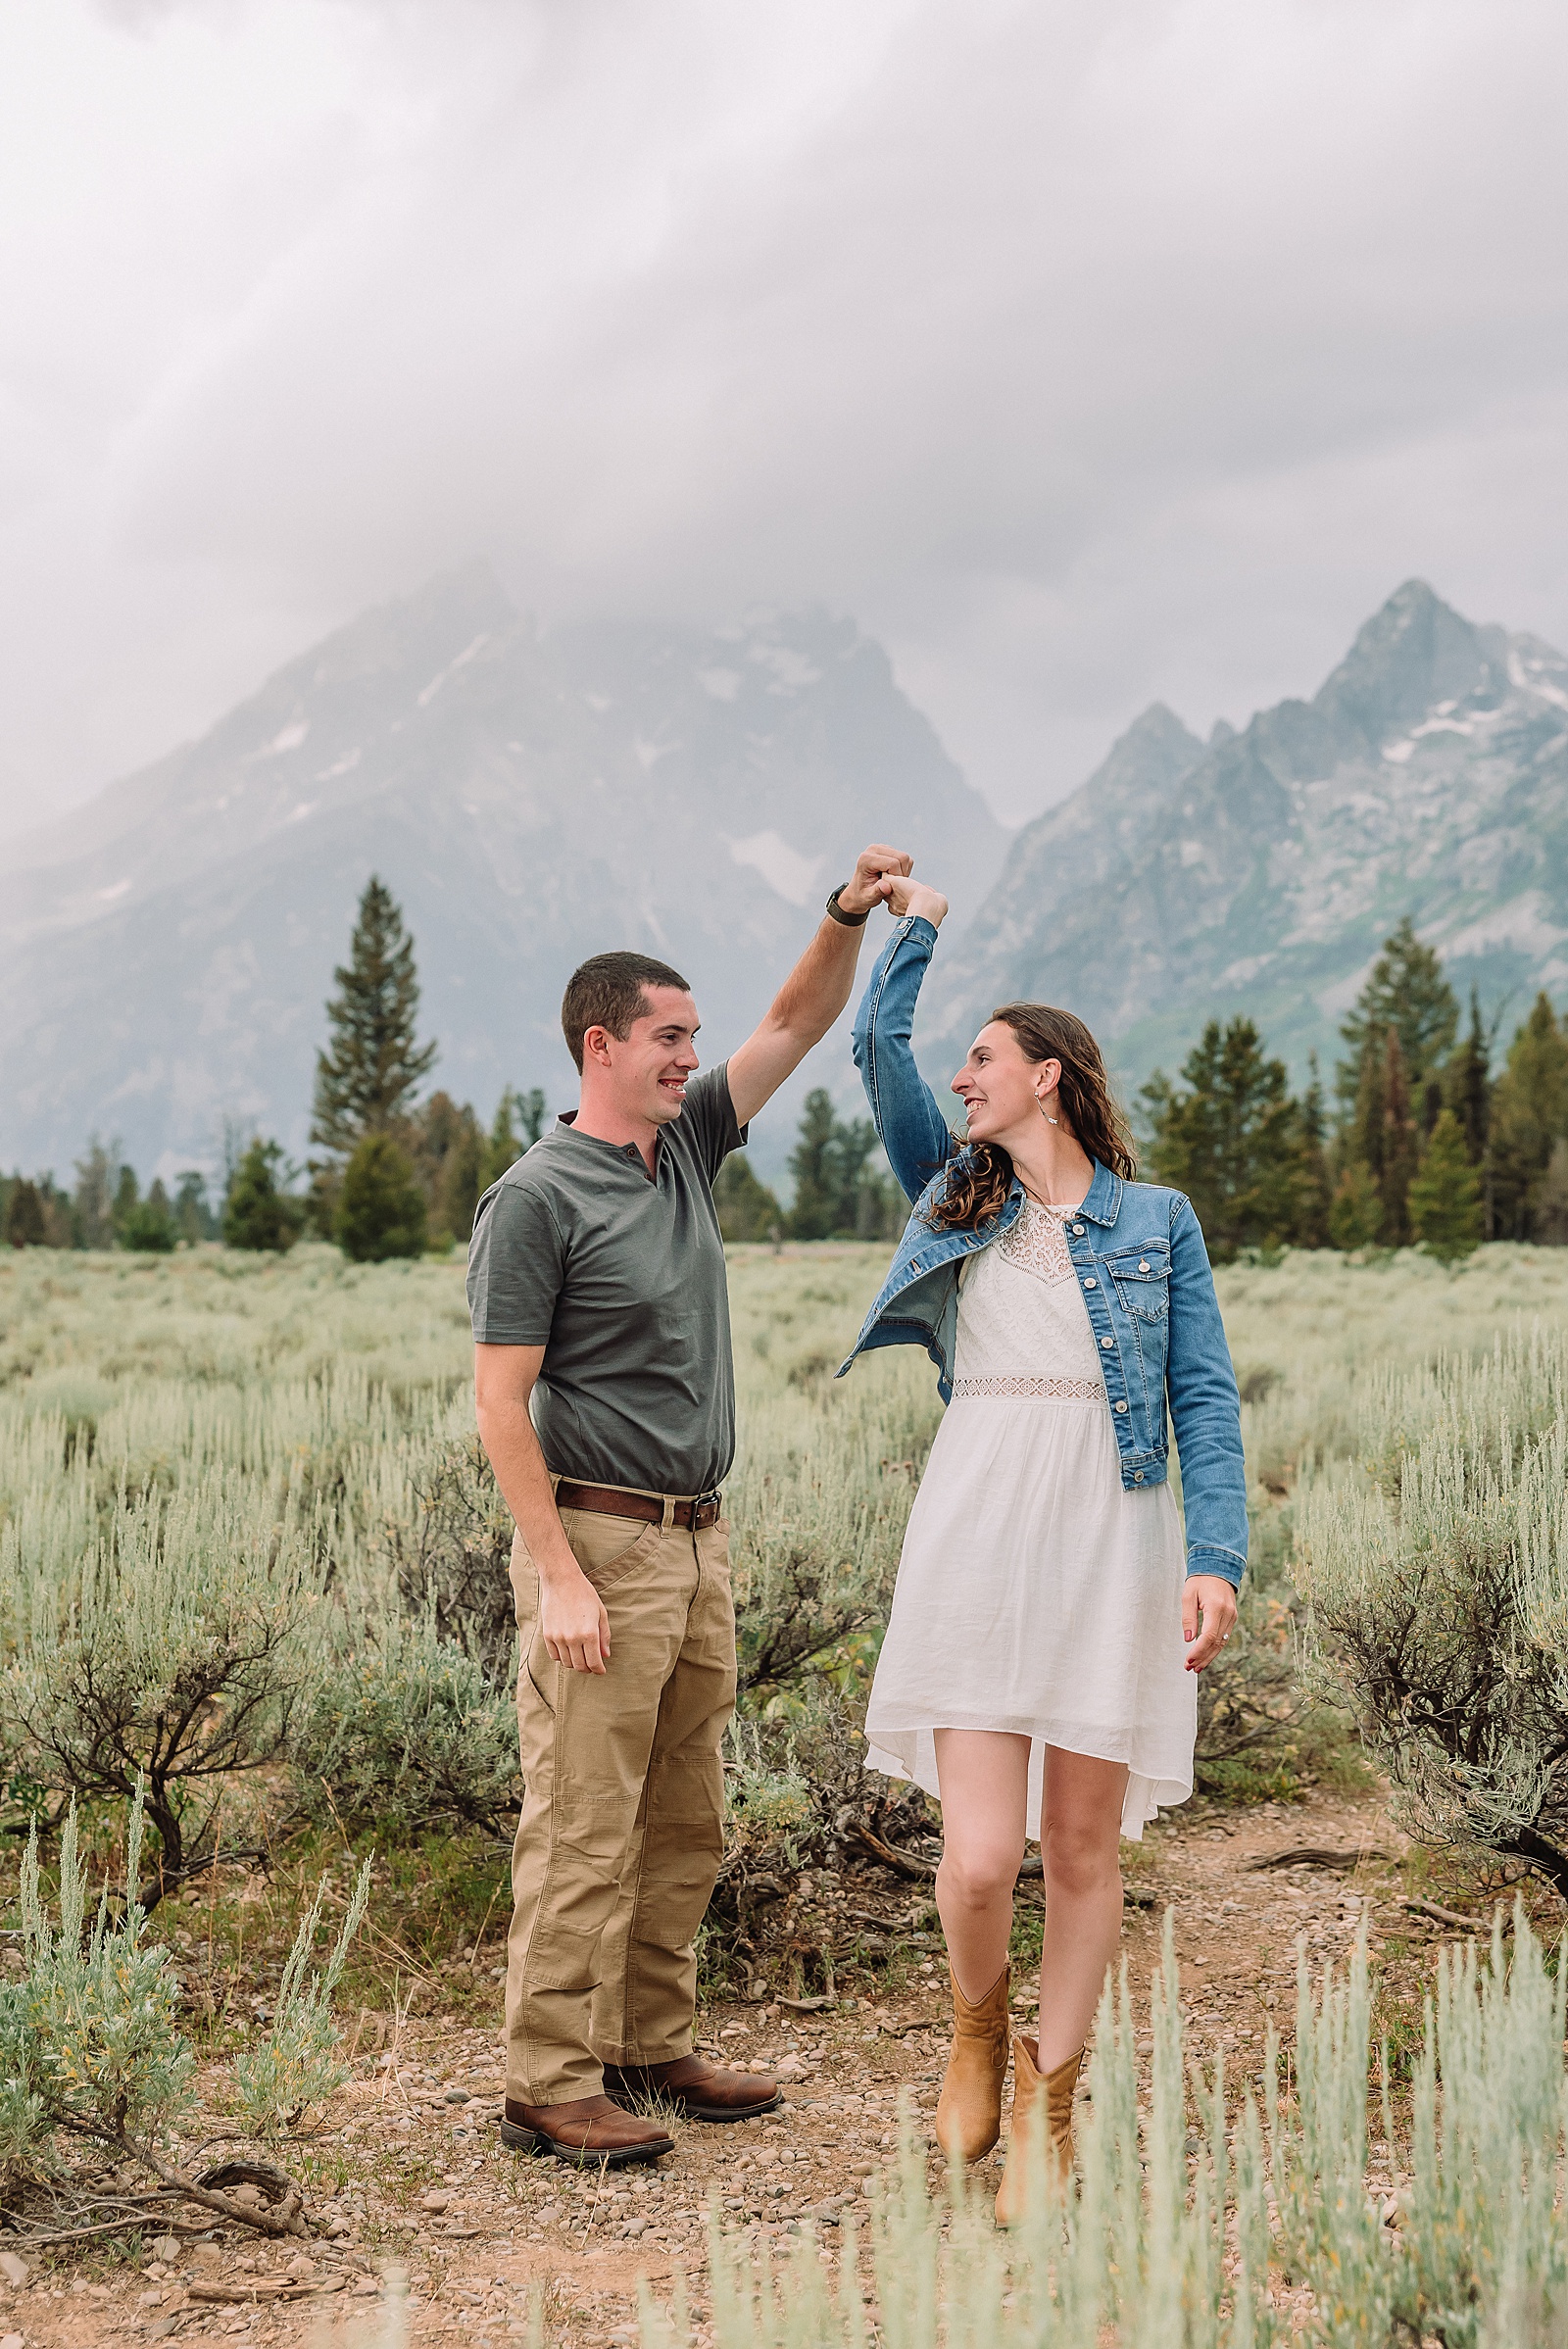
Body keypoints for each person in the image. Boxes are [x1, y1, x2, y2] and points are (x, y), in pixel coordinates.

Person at [467, 844, 912, 2168]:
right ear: (599, 1044)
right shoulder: (537, 1198)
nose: (691, 1056)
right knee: (582, 1821)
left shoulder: (685, 1149)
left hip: (698, 1538)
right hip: (599, 1541)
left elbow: (795, 1020)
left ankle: (649, 2041)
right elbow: (501, 1405)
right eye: (669, 1038)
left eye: (692, 1040)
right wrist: (557, 1573)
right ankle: (545, 2078)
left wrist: (843, 916)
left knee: (686, 1813)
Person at [837, 876, 1247, 2222]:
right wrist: (916, 926)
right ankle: (974, 2029)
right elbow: (879, 1053)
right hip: (978, 1527)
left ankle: (1051, 2109)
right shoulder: (957, 1193)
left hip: (1110, 1536)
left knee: (1080, 1847)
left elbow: (1202, 1394)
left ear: (1047, 1078)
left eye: (987, 1060)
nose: (963, 1079)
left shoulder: (1158, 1221)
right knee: (975, 1858)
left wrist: (1215, 1553)